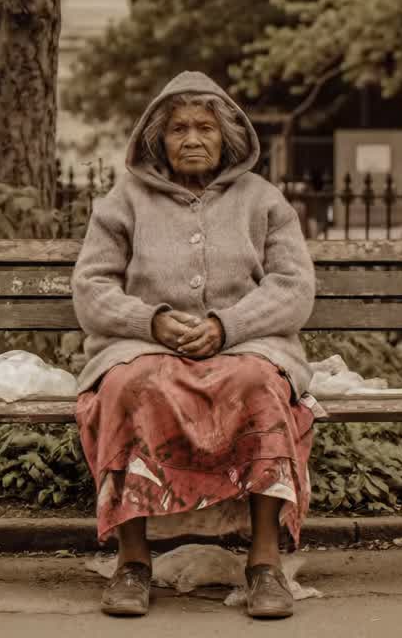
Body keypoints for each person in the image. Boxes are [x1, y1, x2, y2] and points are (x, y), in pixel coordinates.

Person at [71, 72, 317, 620]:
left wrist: (227, 327)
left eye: (205, 126)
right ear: (158, 139)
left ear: (227, 136)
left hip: (247, 346)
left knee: (258, 386)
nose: (191, 138)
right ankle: (133, 563)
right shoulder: (123, 201)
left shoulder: (264, 201)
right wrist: (151, 322)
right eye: (178, 128)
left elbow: (294, 288)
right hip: (144, 348)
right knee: (129, 386)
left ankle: (264, 563)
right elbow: (91, 288)